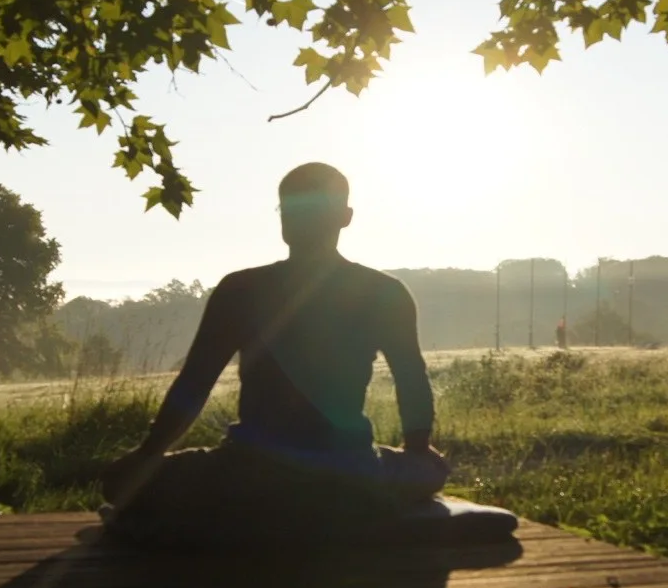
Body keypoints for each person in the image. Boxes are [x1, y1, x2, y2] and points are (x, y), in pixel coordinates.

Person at [98, 163, 487, 550]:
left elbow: (195, 383)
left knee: (119, 481)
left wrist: (148, 455)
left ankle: (251, 513)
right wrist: (418, 451)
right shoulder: (384, 292)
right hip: (351, 471)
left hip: (249, 471)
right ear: (345, 217)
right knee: (432, 470)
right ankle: (332, 509)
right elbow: (411, 379)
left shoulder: (241, 289)